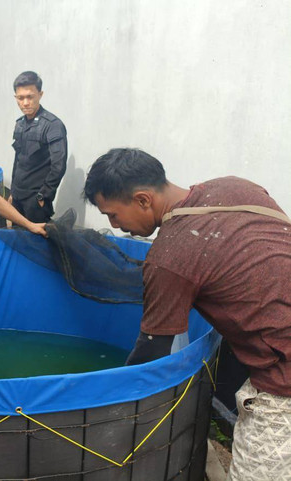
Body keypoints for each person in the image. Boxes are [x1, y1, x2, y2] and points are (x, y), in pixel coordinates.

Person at [83, 148, 291, 481]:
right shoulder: (237, 188)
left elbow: (153, 352)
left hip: (283, 382)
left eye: (113, 215)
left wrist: (102, 406)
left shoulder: (169, 258)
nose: (115, 227)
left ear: (142, 200)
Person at [10, 71, 67, 223]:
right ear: (16, 97)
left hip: (35, 200)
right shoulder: (20, 124)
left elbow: (59, 165)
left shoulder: (53, 126)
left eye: (30, 97)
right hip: (18, 197)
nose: (25, 103)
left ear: (40, 94)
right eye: (20, 98)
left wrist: (44, 196)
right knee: (17, 239)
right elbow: (18, 160)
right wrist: (13, 192)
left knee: (38, 242)